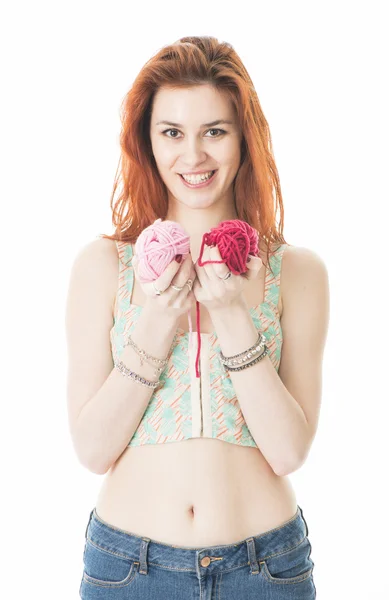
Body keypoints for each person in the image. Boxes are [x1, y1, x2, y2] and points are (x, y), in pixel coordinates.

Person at [66, 35, 329, 599]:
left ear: (243, 137)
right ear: (148, 141)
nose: (193, 156)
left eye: (215, 131)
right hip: (128, 568)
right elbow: (91, 450)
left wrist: (235, 316)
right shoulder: (103, 265)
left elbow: (287, 451)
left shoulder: (297, 272)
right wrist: (156, 323)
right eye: (172, 133)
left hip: (265, 569)